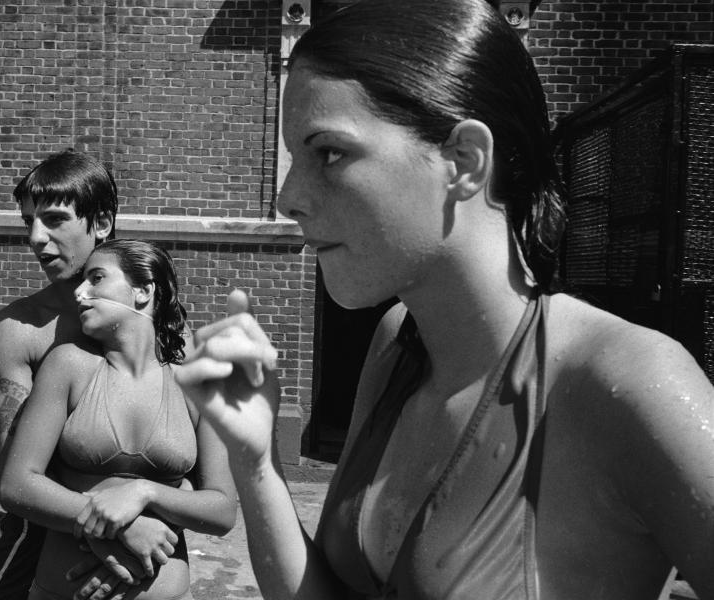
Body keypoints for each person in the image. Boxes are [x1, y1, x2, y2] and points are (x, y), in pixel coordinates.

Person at [174, 1, 714, 599]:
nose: (287, 198)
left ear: (464, 161)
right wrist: (256, 464)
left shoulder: (628, 381)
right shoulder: (396, 343)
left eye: (328, 152)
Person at [0, 150, 184, 600]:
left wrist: (140, 525)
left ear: (103, 222)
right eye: (28, 221)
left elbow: (190, 462)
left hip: (153, 546)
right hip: (37, 545)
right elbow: (16, 474)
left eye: (54, 219)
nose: (36, 237)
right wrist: (112, 532)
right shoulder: (17, 331)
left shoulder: (160, 327)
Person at [0, 239, 236, 600]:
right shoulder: (68, 365)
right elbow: (18, 485)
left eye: (96, 278)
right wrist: (118, 529)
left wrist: (144, 493)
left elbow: (222, 510)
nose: (79, 292)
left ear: (143, 291)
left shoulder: (198, 384)